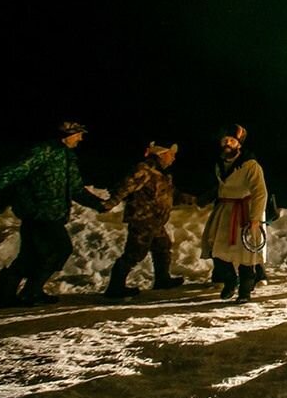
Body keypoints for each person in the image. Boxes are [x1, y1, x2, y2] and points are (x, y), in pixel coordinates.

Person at [0, 121, 105, 307]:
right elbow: (12, 172)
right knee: (59, 249)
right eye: (78, 134)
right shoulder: (42, 151)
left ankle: (4, 297)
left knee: (29, 256)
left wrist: (98, 203)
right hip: (39, 213)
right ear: (67, 134)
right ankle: (31, 292)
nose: (81, 138)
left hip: (51, 214)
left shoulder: (67, 156)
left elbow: (76, 188)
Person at [101, 141, 188, 298]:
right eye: (171, 154)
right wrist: (110, 203)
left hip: (155, 222)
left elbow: (173, 195)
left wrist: (198, 200)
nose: (173, 158)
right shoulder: (144, 170)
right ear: (161, 154)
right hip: (142, 221)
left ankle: (162, 279)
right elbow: (125, 187)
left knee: (163, 246)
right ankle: (115, 287)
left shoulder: (162, 175)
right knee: (135, 253)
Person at [200, 124, 268, 303]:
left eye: (232, 140)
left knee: (245, 255)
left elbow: (260, 192)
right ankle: (230, 281)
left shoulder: (250, 165)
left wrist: (255, 219)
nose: (227, 143)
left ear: (239, 144)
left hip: (243, 212)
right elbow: (221, 187)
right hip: (224, 211)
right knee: (218, 250)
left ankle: (245, 292)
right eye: (225, 140)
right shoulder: (220, 163)